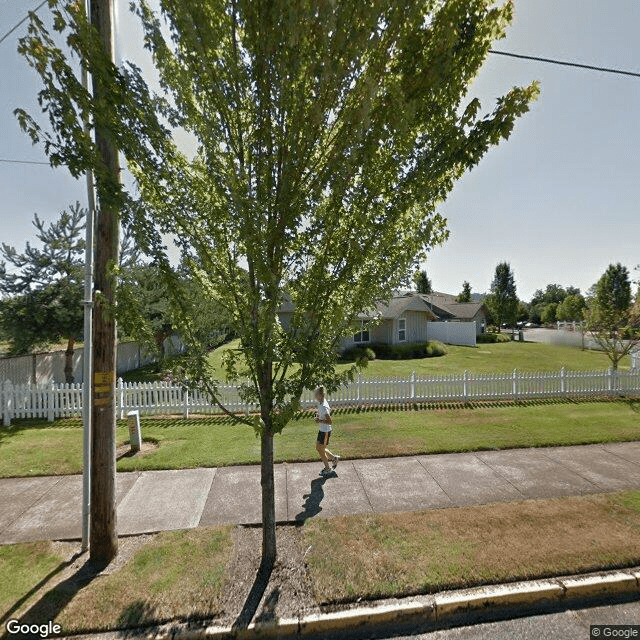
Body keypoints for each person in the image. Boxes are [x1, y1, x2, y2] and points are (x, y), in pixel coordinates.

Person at [314, 385, 340, 475]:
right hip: (322, 430)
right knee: (319, 448)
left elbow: (329, 421)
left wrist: (319, 420)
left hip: (325, 431)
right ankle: (334, 458)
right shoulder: (322, 402)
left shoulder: (323, 406)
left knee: (320, 449)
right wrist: (318, 415)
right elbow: (327, 412)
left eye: (316, 394)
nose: (315, 396)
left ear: (321, 395)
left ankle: (328, 469)